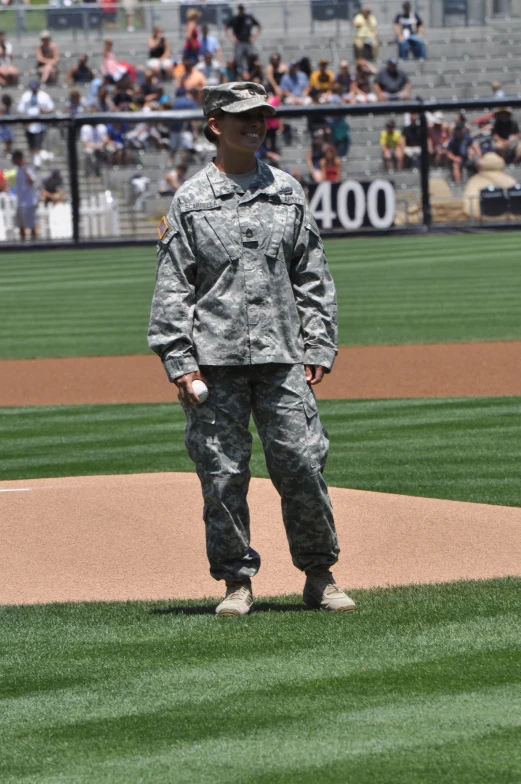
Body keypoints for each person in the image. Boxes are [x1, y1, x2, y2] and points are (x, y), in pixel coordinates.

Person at [148, 81, 356, 617]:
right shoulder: (191, 201)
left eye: (262, 115)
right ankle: (236, 582)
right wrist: (179, 360)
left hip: (282, 356)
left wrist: (318, 342)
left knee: (303, 464)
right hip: (213, 363)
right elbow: (174, 286)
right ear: (215, 124)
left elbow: (312, 273)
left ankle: (320, 575)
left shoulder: (287, 191)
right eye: (244, 116)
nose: (256, 124)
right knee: (221, 474)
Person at [17, 80, 54, 168]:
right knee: (31, 144)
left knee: (38, 143)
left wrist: (44, 111)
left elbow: (50, 108)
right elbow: (20, 109)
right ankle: (33, 159)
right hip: (29, 123)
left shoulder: (44, 96)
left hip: (40, 123)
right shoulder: (26, 96)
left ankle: (37, 162)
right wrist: (25, 121)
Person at [224, 4, 262, 72]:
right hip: (239, 42)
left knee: (250, 58)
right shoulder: (235, 18)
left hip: (248, 42)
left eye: (242, 9)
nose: (241, 10)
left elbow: (259, 25)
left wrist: (254, 36)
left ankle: (248, 72)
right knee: (238, 59)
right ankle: (240, 73)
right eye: (240, 9)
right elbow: (226, 27)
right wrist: (232, 37)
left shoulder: (249, 17)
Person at [12, 149, 38, 241]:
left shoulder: (28, 169)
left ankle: (34, 244)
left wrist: (25, 169)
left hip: (29, 202)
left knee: (31, 225)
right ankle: (22, 245)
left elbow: (31, 181)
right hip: (20, 202)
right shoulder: (17, 170)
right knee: (20, 226)